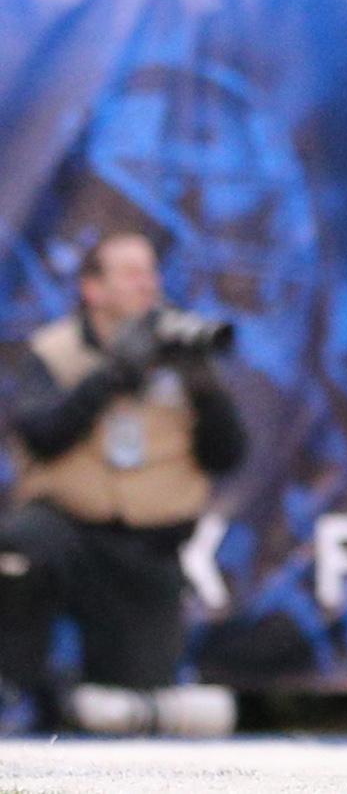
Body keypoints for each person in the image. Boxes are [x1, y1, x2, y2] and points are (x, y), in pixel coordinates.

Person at [0, 233, 245, 736]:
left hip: (148, 547)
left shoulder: (182, 353)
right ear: (92, 289)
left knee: (127, 707)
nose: (147, 284)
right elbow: (41, 436)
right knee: (22, 548)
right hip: (68, 531)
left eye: (151, 272)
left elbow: (228, 455)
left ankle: (72, 700)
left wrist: (207, 389)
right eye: (131, 273)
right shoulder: (54, 351)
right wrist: (110, 375)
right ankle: (13, 688)